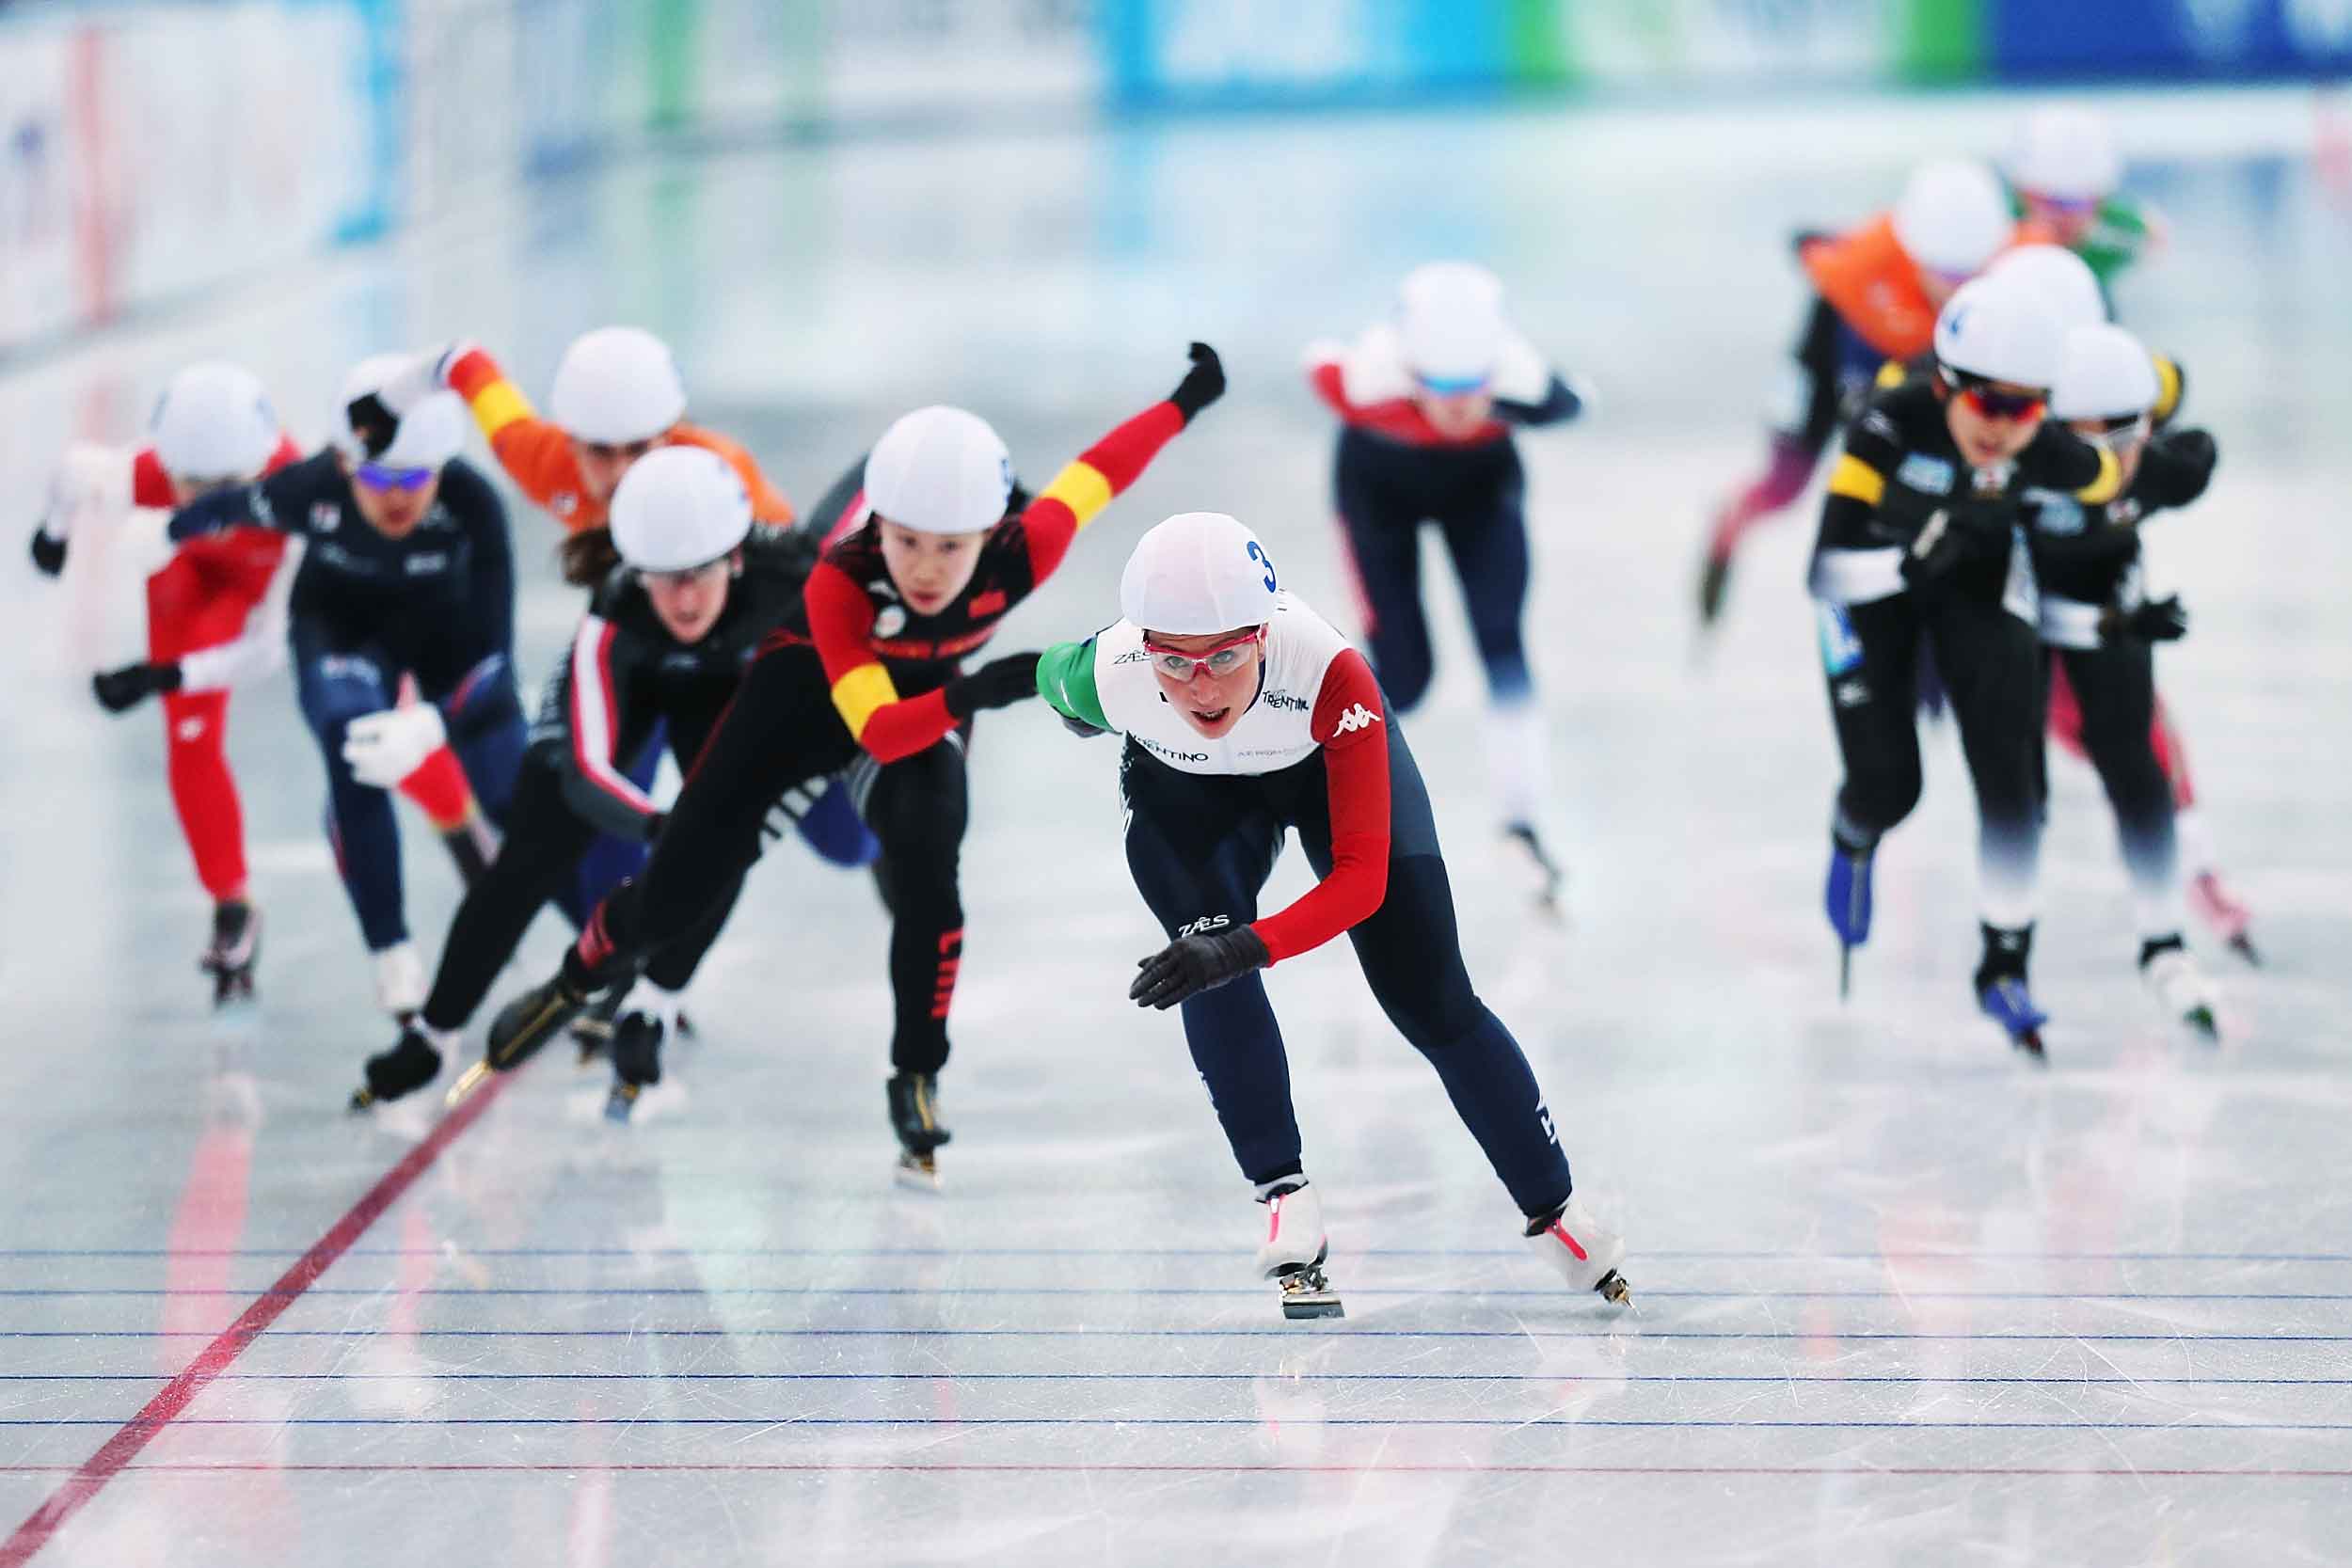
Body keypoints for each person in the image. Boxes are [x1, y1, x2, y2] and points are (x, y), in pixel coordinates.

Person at [468, 344, 1228, 1184]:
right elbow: (879, 727)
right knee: (669, 902)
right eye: (905, 541)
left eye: (951, 545)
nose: (928, 568)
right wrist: (984, 690)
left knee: (931, 869)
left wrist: (1184, 400)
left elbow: (1100, 472)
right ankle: (575, 981)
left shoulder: (1030, 547)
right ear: (876, 528)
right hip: (797, 708)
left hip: (915, 706)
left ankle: (916, 1074)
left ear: (995, 533)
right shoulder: (840, 581)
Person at [1031, 511, 1629, 1318]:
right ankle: (1282, 1194)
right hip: (1190, 798)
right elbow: (1040, 675)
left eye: (1227, 656)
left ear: (1265, 637)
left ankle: (1557, 1209)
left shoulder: (1331, 672)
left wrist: (1248, 946)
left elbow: (1359, 884)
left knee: (1432, 998)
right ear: (1144, 646)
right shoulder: (1104, 672)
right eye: (1174, 660)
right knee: (1199, 956)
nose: (1201, 683)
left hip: (1322, 769)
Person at [352, 446, 822, 1114]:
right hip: (631, 680)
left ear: (736, 558)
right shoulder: (614, 615)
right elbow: (588, 774)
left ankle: (653, 1006)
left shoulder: (798, 576)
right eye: (663, 578)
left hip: (726, 688)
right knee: (529, 854)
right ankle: (433, 1033)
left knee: (728, 837)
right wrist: (664, 826)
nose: (684, 598)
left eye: (699, 575)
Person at [26, 362, 484, 1004]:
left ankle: (458, 818)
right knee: (190, 736)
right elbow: (73, 474)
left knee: (374, 732)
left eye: (226, 486)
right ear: (167, 462)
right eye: (191, 484)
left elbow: (264, 650)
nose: (208, 501)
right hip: (191, 583)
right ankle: (232, 906)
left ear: (259, 472)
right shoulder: (149, 472)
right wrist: (50, 538)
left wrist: (164, 673)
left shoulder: (305, 501)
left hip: (270, 588)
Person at [1809, 275, 2139, 1057]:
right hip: (1873, 587)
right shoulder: (1891, 422)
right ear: (1947, 383)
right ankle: (1854, 831)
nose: (2002, 427)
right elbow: (1827, 566)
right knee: (1893, 786)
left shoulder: (2047, 446)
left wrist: (2170, 467)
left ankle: (2004, 963)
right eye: (1989, 404)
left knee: (2011, 773)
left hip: (1977, 580)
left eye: (2026, 408)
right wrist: (1915, 555)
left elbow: (2113, 475)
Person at [169, 357, 535, 1018]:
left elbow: (497, 666)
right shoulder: (308, 487)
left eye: (415, 477)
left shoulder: (474, 502)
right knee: (353, 744)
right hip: (341, 626)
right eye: (375, 475)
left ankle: (614, 938)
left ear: (445, 469)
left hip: (445, 629)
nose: (396, 496)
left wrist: (431, 724)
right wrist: (163, 532)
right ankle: (391, 953)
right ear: (343, 465)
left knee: (515, 788)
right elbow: (225, 505)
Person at [1302, 261, 1592, 903]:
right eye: (1441, 387)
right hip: (1376, 489)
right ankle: (1342, 807)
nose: (1460, 407)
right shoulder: (1361, 382)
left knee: (1503, 644)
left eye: (1475, 387)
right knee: (1404, 678)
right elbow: (1315, 359)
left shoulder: (1529, 385)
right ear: (1407, 374)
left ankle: (1522, 824)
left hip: (1480, 489)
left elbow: (1578, 398)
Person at [1699, 158, 2019, 628]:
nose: (1955, 291)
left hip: (1915, 345)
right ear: (1914, 252)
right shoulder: (1857, 274)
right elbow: (1806, 244)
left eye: (1969, 276)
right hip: (1838, 341)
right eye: (1944, 275)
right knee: (1787, 484)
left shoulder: (2018, 256)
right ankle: (1730, 525)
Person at [2030, 325, 2223, 1032]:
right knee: (2036, 752)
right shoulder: (2012, 470)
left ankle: (2166, 929)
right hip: (2015, 599)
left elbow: (2193, 447)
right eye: (2086, 445)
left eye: (2124, 439)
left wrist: (2119, 623)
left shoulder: (2170, 468)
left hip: (2104, 593)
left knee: (2131, 750)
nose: (2108, 463)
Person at [2006, 105, 2164, 288]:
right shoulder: (1998, 225)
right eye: (2052, 203)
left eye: (2079, 204)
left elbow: (2155, 239)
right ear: (2022, 192)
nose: (2066, 217)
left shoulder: (2119, 233)